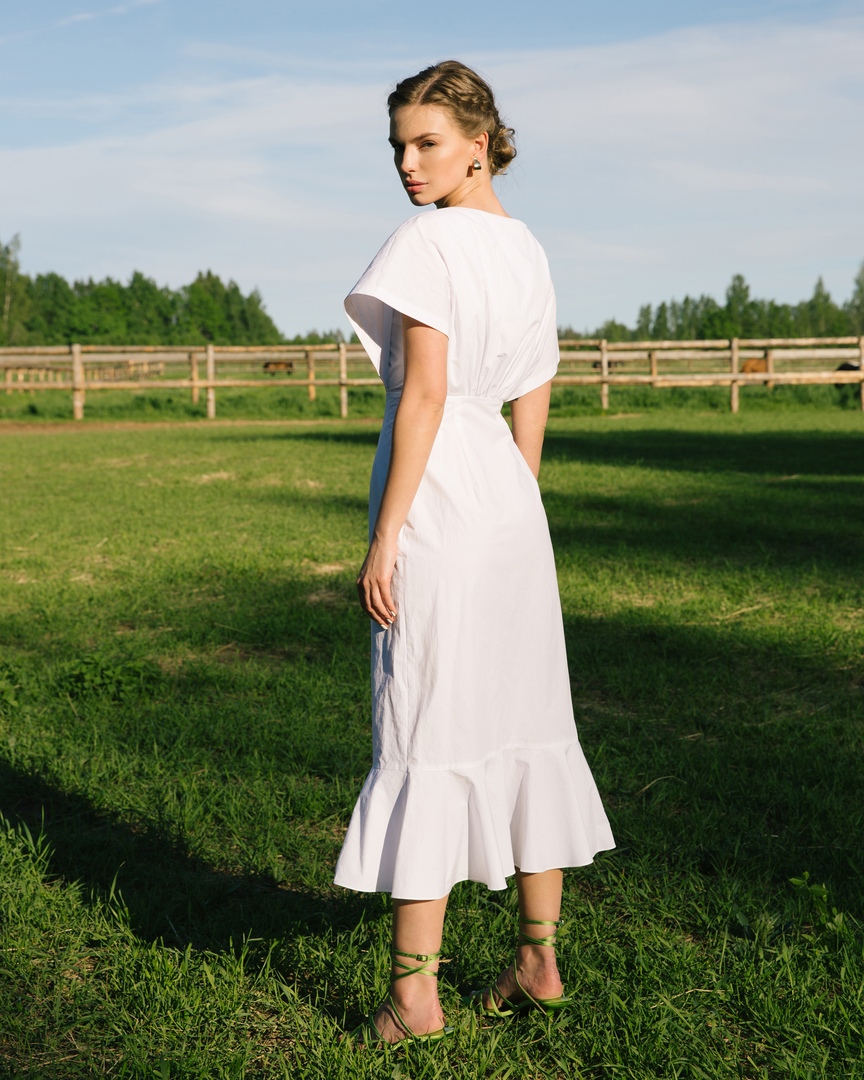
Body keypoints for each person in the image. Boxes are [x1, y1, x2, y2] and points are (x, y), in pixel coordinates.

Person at [334, 59, 615, 1046]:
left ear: (480, 145)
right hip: (507, 500)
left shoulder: (427, 241)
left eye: (428, 143)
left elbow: (424, 393)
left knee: (424, 728)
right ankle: (538, 958)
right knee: (526, 721)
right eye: (398, 146)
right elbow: (535, 385)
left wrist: (386, 536)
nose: (408, 165)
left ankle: (414, 997)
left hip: (444, 499)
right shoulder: (526, 246)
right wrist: (517, 499)